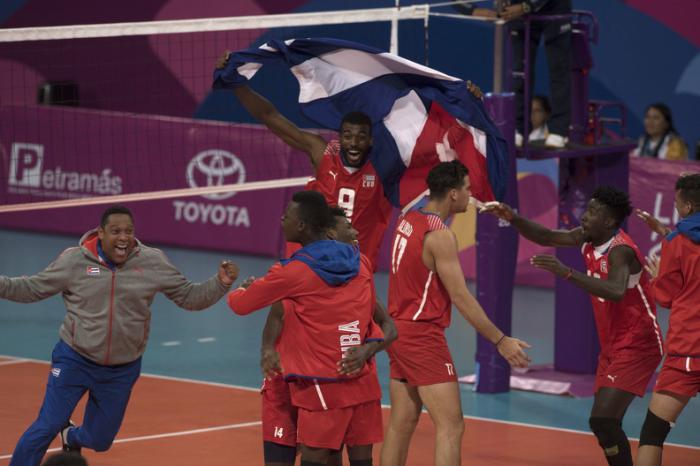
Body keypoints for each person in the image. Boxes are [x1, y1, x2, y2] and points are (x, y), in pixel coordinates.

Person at [2, 205, 239, 466]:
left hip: (121, 369)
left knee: (100, 441)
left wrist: (221, 283)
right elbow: (31, 288)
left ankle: (73, 436)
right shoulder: (74, 261)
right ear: (100, 233)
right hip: (75, 358)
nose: (123, 237)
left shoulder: (152, 262)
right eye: (116, 231)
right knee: (47, 425)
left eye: (128, 231)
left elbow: (189, 297)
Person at [483, 186, 664, 466]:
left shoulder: (621, 251)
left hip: (639, 343)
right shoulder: (587, 238)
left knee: (602, 419)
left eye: (593, 212)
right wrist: (514, 217)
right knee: (605, 426)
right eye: (587, 209)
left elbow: (615, 290)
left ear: (610, 222)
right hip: (613, 344)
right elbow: (545, 235)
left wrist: (566, 273)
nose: (584, 216)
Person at [380, 161, 531, 466]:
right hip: (422, 336)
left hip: (396, 330)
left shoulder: (408, 217)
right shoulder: (440, 236)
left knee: (402, 422)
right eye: (467, 189)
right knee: (451, 426)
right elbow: (460, 297)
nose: (470, 196)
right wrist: (500, 340)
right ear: (452, 194)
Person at [228, 191, 383, 466]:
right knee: (354, 456)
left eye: (287, 216)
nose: (282, 218)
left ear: (301, 225)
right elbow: (371, 318)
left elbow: (240, 306)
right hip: (356, 377)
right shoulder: (360, 262)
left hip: (319, 379)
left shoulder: (293, 272)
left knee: (315, 455)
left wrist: (242, 288)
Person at [215, 52, 392, 271]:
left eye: (361, 137)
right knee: (290, 303)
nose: (354, 143)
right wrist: (237, 84)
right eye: (348, 136)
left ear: (371, 140)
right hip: (312, 259)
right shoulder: (322, 152)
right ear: (340, 136)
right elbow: (270, 117)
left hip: (354, 265)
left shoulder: (384, 166)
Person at [258, 207, 397, 466]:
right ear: (331, 235)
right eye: (349, 227)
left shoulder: (359, 274)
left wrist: (367, 351)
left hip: (335, 383)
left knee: (335, 454)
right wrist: (267, 348)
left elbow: (389, 326)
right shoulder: (298, 273)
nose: (356, 232)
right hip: (288, 382)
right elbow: (276, 314)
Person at [634, 174, 700, 466]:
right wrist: (665, 233)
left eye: (676, 204)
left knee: (652, 433)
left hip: (689, 349)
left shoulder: (678, 241)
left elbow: (666, 297)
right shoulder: (675, 238)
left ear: (687, 207)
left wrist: (658, 276)